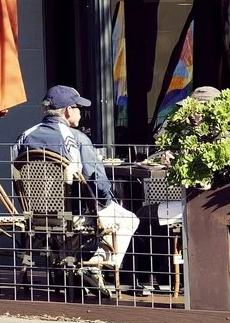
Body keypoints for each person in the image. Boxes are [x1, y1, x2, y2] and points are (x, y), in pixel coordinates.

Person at [16, 84, 139, 273]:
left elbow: (17, 176)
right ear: (67, 111)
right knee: (128, 219)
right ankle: (97, 266)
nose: (81, 113)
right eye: (78, 108)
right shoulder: (76, 138)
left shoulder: (24, 136)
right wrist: (107, 203)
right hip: (71, 215)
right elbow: (96, 179)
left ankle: (69, 266)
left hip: (36, 214)